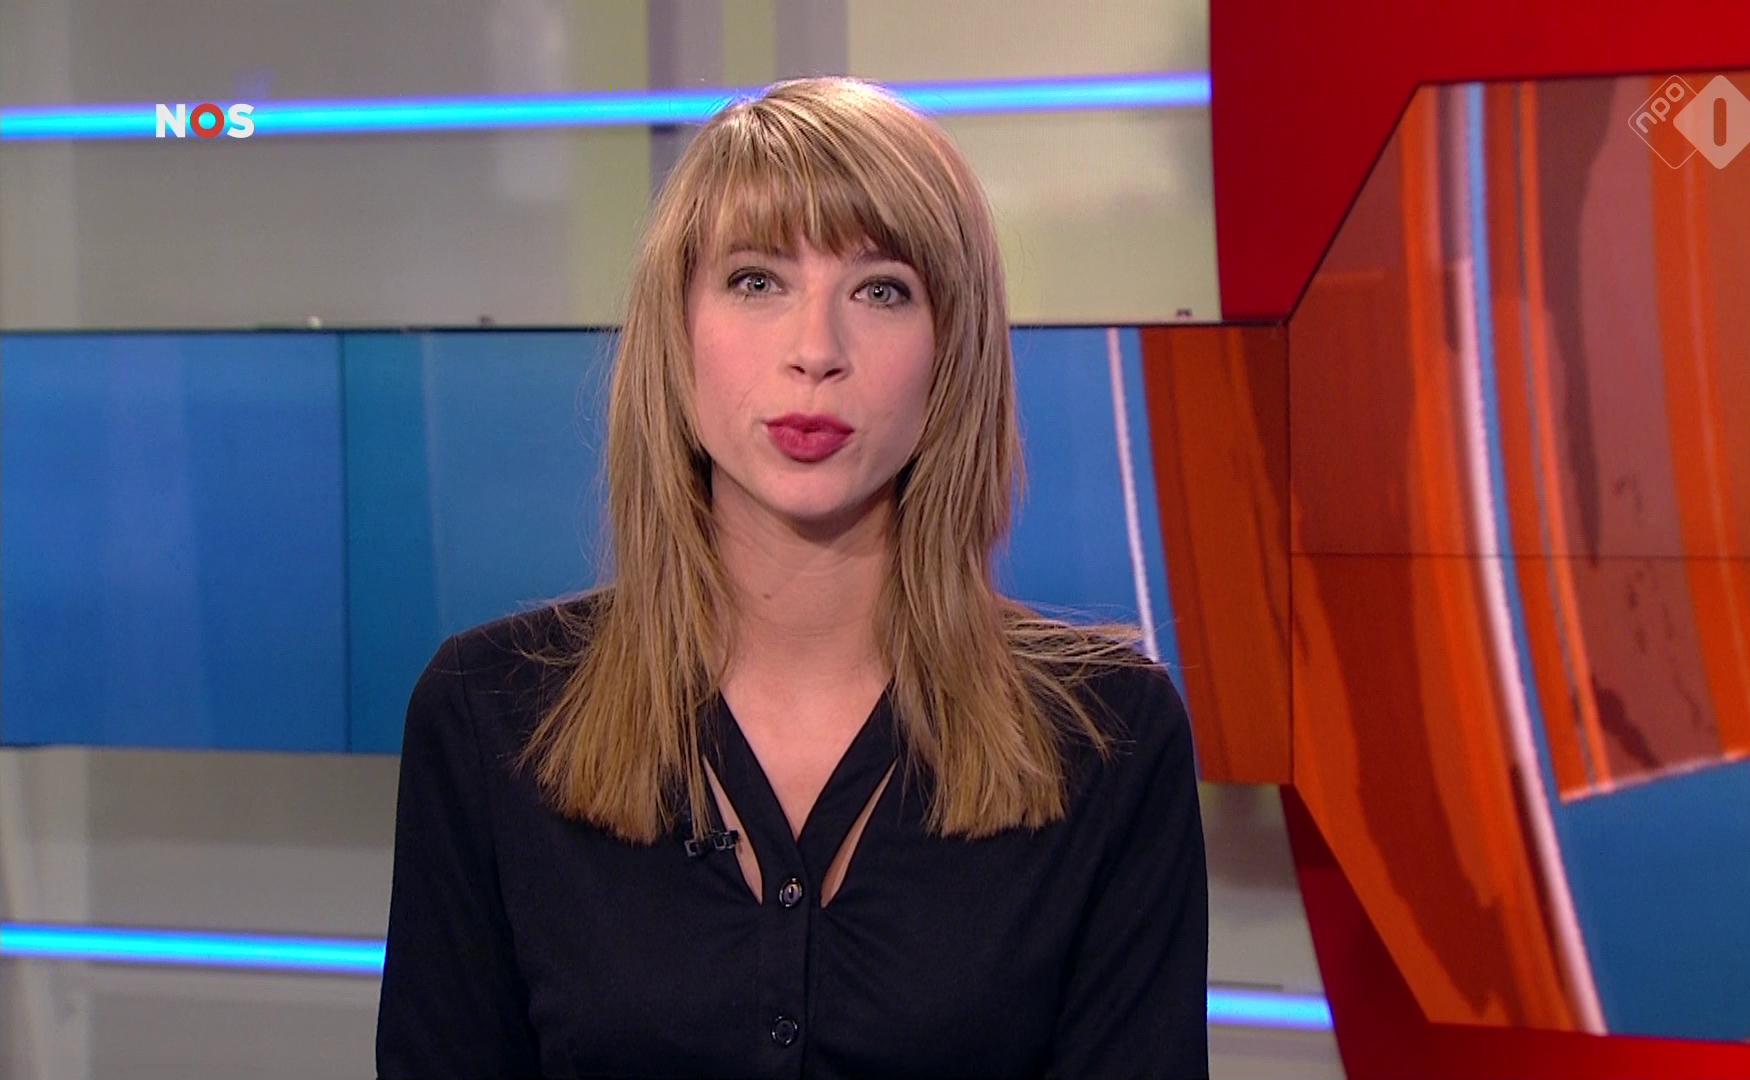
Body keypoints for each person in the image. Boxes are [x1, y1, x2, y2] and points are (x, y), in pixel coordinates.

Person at [373, 75, 1209, 1080]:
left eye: (882, 290)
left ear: (954, 352)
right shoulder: (490, 715)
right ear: (677, 332)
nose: (816, 351)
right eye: (756, 281)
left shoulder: (1108, 737)